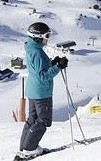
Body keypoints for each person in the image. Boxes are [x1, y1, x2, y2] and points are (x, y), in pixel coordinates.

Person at [17, 22, 68, 159]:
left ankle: (25, 147)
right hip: (41, 92)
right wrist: (58, 67)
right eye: (46, 35)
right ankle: (29, 148)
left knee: (32, 119)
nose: (48, 38)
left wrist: (53, 63)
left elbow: (39, 69)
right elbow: (43, 76)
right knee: (43, 120)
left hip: (33, 90)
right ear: (37, 37)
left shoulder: (31, 48)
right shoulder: (37, 52)